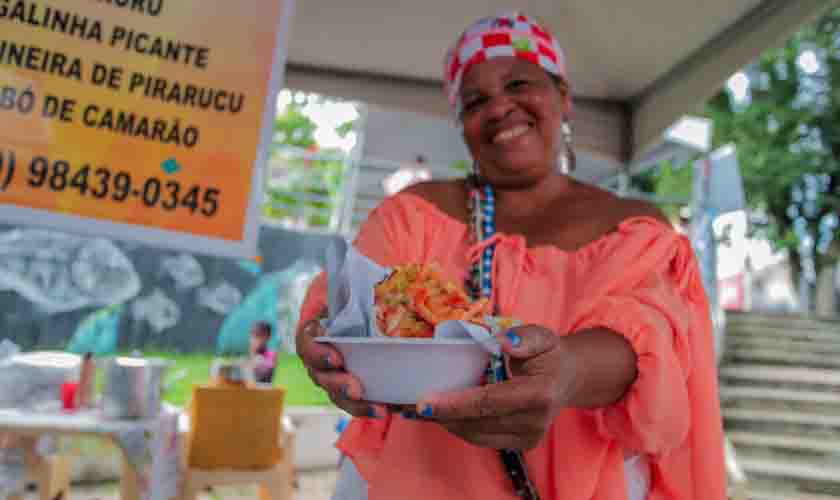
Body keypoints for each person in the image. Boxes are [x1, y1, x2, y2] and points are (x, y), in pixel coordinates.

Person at [296, 10, 726, 500]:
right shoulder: (413, 215)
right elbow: (350, 297)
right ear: (463, 126)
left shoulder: (635, 225)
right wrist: (322, 336)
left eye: (519, 84)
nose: (499, 107)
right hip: (419, 480)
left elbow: (649, 341)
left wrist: (568, 372)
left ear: (563, 98)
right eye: (476, 100)